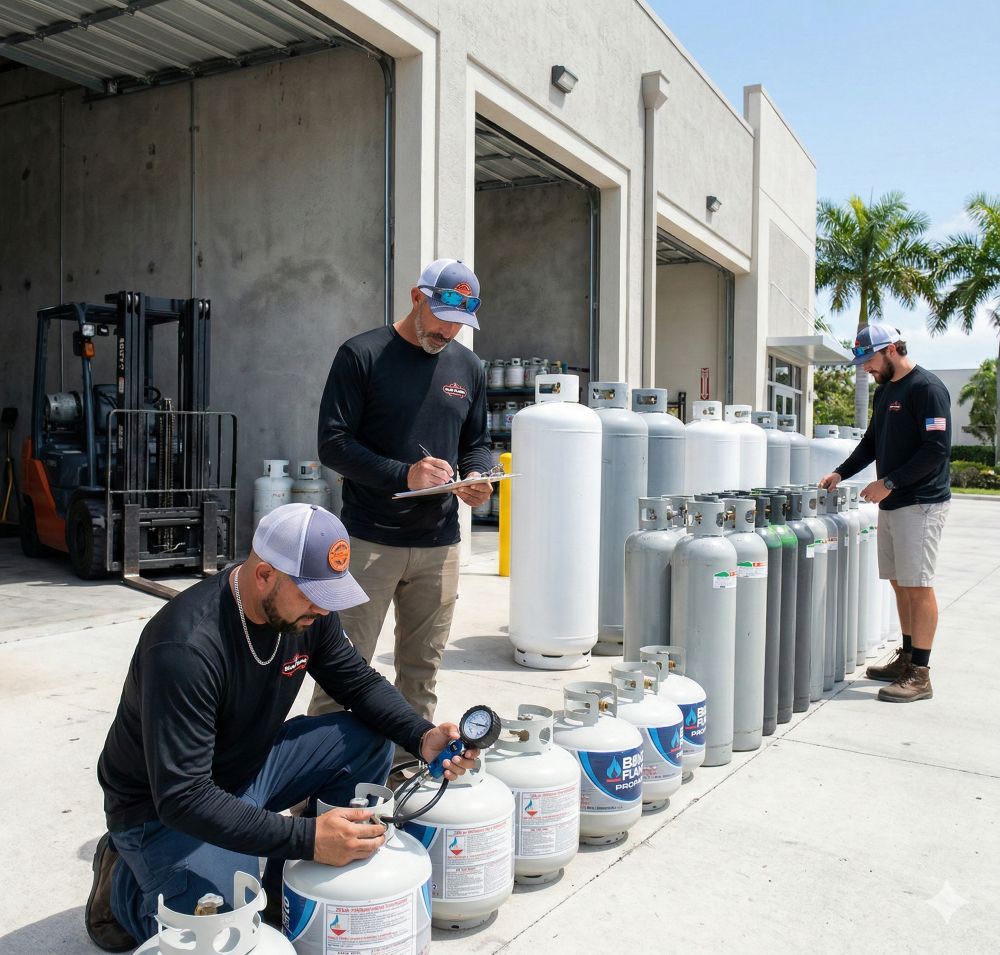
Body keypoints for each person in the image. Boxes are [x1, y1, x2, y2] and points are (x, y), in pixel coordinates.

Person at [85, 503, 478, 952]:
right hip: (162, 810)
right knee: (221, 925)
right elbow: (183, 797)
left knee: (367, 739)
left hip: (248, 769)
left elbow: (357, 681)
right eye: (312, 594)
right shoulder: (185, 647)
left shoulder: (306, 613)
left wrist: (421, 735)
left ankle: (283, 890)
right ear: (264, 574)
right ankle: (124, 886)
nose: (322, 608)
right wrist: (306, 838)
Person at [309, 258, 493, 725]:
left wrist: (476, 475)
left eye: (459, 323)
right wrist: (404, 475)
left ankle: (407, 760)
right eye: (442, 318)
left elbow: (476, 442)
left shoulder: (468, 367)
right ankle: (325, 767)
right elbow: (333, 444)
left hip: (439, 547)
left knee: (421, 673)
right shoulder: (362, 355)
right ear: (416, 298)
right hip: (368, 543)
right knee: (342, 671)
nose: (448, 332)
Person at [819, 324, 951, 703]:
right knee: (899, 582)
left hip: (920, 503)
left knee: (918, 585)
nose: (866, 368)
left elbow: (936, 450)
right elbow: (871, 442)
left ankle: (920, 674)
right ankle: (907, 658)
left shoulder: (927, 389)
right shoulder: (886, 390)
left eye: (869, 360)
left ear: (891, 349)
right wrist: (841, 472)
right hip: (893, 503)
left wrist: (889, 482)